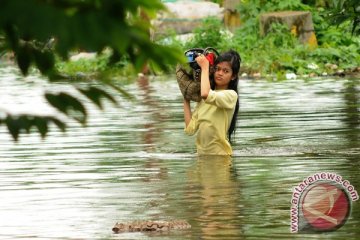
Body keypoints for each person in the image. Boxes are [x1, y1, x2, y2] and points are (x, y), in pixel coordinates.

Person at [183, 50, 240, 156]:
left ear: (233, 76)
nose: (220, 73)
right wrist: (186, 97)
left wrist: (204, 67)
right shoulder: (205, 100)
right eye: (217, 69)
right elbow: (190, 130)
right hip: (201, 156)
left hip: (220, 157)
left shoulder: (231, 95)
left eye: (225, 71)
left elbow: (206, 94)